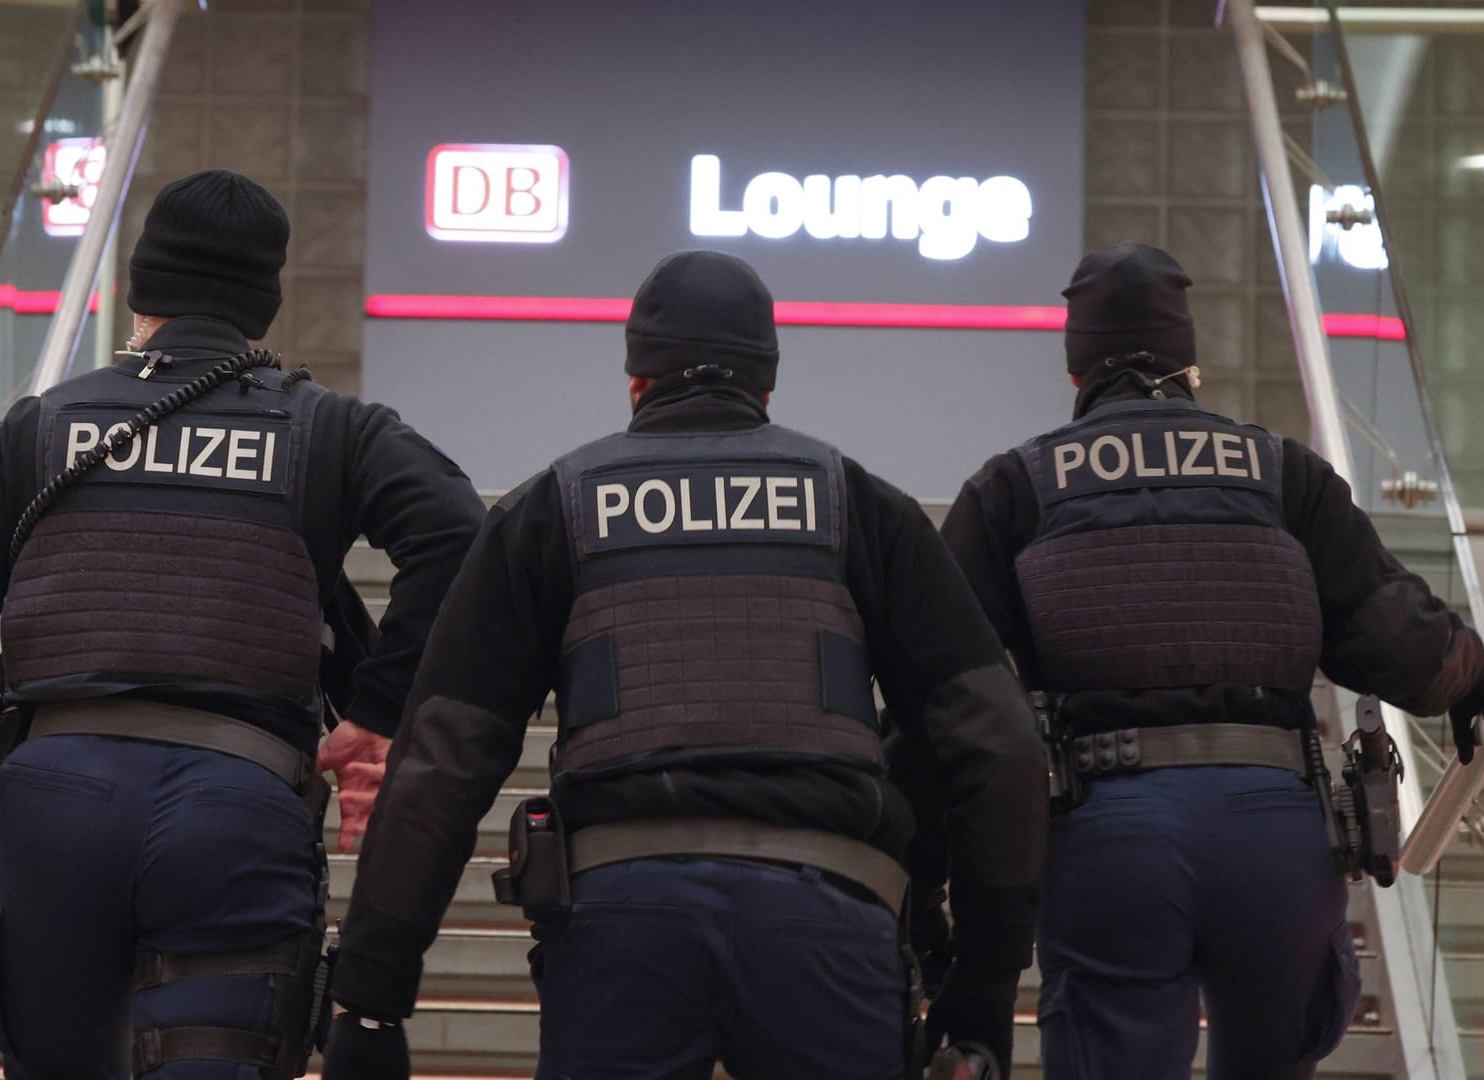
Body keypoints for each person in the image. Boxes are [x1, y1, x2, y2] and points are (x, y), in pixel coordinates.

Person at [319, 250, 1047, 1080]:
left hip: (620, 926)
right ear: (768, 385)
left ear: (635, 380)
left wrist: (374, 998)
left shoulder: (551, 510)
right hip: (830, 921)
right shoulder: (860, 507)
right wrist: (981, 990)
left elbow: (443, 761)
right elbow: (1000, 747)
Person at [0, 169, 487, 1080]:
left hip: (54, 797)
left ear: (137, 288)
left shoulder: (33, 429)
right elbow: (463, 541)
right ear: (261, 304)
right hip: (236, 802)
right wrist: (377, 709)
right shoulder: (332, 431)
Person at [939, 242, 1484, 1080]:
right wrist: (1481, 679)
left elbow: (949, 684)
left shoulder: (1015, 488)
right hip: (1275, 831)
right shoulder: (1283, 474)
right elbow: (1391, 630)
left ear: (1078, 373)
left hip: (1108, 834)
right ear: (1192, 368)